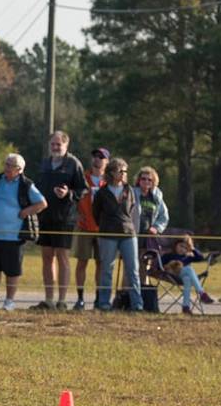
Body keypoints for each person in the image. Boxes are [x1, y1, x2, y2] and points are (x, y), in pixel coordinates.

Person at [0, 154, 47, 311]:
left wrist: (27, 211)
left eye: (11, 165)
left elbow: (42, 203)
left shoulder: (26, 185)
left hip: (13, 236)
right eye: (6, 164)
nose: (7, 168)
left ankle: (9, 301)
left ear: (19, 170)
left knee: (12, 270)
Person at [32, 131, 87, 310]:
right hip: (45, 216)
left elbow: (83, 190)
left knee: (62, 257)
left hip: (65, 218)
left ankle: (62, 301)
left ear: (66, 145)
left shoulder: (73, 164)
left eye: (58, 145)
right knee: (47, 256)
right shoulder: (45, 163)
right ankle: (49, 300)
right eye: (53, 144)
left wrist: (68, 194)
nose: (55, 148)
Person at [93, 158, 142, 311]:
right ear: (111, 172)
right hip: (108, 234)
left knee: (133, 270)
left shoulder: (130, 190)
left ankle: (137, 305)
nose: (123, 174)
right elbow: (96, 213)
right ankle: (104, 303)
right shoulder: (102, 192)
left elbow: (133, 211)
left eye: (125, 171)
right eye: (120, 170)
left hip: (128, 233)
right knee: (107, 269)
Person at [74, 148, 109, 310]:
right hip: (85, 227)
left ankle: (98, 298)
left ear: (107, 161)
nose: (97, 159)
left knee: (101, 264)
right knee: (82, 262)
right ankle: (80, 298)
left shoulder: (110, 181)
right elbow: (72, 196)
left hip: (103, 228)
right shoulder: (83, 178)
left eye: (101, 157)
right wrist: (75, 214)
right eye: (95, 156)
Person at [161, 234, 215, 314]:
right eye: (181, 246)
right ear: (176, 245)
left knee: (187, 279)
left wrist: (192, 249)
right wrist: (168, 267)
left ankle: (185, 307)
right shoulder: (169, 255)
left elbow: (200, 258)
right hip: (173, 276)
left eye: (185, 248)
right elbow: (160, 265)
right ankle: (202, 293)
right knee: (189, 269)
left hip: (183, 277)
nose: (182, 249)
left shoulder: (187, 257)